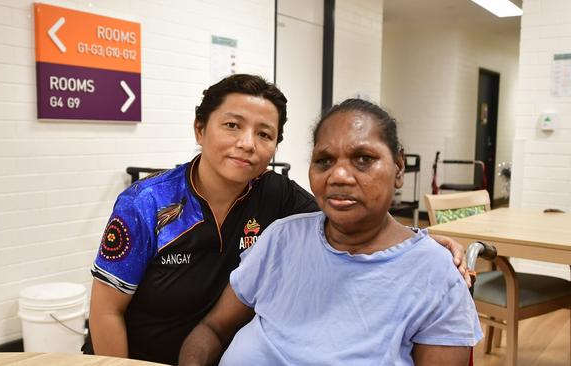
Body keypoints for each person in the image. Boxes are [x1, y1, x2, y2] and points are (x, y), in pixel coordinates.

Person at [86, 75, 469, 364]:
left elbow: (355, 216)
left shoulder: (277, 197)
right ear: (200, 129)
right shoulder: (147, 203)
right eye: (232, 125)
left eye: (264, 134)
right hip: (134, 356)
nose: (248, 143)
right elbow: (106, 311)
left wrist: (423, 243)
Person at [178, 99, 482, 366]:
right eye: (324, 161)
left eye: (363, 158)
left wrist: (421, 247)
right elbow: (213, 329)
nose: (338, 175)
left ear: (399, 168)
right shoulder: (281, 238)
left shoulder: (436, 274)